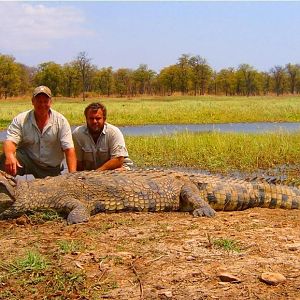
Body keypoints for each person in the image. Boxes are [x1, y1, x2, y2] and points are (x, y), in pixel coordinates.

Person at [0, 85, 77, 178]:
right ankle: (4, 189)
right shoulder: (21, 119)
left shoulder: (61, 121)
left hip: (50, 167)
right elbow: (10, 142)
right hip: (28, 160)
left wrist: (72, 176)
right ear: (32, 101)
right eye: (39, 101)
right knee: (4, 158)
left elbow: (69, 149)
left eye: (45, 101)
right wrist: (9, 156)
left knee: (52, 191)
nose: (42, 105)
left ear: (51, 102)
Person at [72, 102, 133, 171]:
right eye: (91, 118)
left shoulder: (114, 132)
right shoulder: (77, 134)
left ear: (104, 119)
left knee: (119, 171)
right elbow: (78, 162)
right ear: (86, 119)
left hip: (116, 167)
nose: (94, 121)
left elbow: (118, 160)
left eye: (98, 118)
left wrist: (98, 172)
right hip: (91, 172)